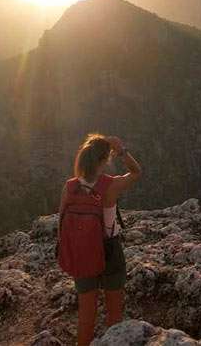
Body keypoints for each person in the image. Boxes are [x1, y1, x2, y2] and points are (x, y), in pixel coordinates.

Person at [58, 133, 142, 346]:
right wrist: (121, 150)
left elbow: (62, 222)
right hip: (110, 251)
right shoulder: (110, 185)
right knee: (114, 315)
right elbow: (136, 172)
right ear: (105, 160)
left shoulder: (70, 187)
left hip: (81, 252)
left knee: (86, 316)